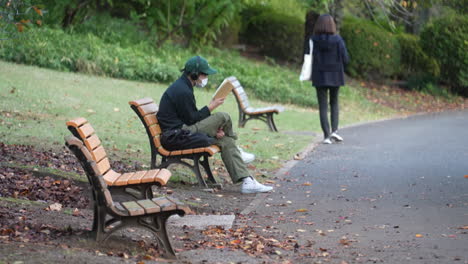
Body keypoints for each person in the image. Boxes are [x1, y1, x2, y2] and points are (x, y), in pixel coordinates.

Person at [156, 55, 273, 194]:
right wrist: (211, 107)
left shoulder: (184, 86)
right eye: (204, 74)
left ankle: (247, 181)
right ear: (194, 74)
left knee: (226, 140)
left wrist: (212, 130)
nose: (206, 77)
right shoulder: (182, 90)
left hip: (182, 132)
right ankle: (238, 151)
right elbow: (192, 119)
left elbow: (190, 118)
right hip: (177, 135)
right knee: (223, 116)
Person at [304, 14, 349, 144]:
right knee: (334, 103)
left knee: (323, 106)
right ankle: (334, 131)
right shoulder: (338, 40)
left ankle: (326, 135)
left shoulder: (313, 39)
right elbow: (346, 58)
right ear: (332, 25)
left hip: (319, 75)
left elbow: (307, 56)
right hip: (335, 75)